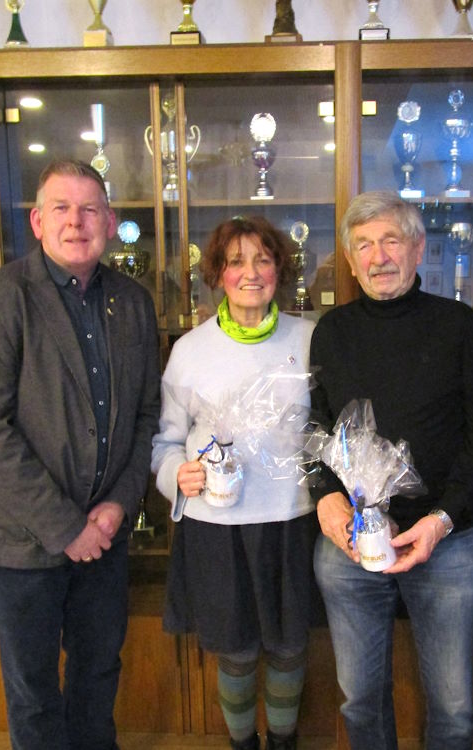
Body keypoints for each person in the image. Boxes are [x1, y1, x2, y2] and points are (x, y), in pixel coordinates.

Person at [0, 159, 161, 750]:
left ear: (110, 223)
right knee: (35, 694)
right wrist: (67, 528)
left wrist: (119, 506)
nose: (76, 222)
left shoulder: (133, 301)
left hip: (105, 537)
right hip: (21, 542)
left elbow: (147, 416)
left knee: (98, 676)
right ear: (38, 222)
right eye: (61, 209)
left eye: (90, 209)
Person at [310, 191, 473, 750]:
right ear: (350, 261)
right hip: (351, 544)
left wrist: (441, 519)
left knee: (454, 707)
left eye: (391, 240)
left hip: (447, 541)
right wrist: (324, 495)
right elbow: (317, 429)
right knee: (359, 699)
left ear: (418, 248)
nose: (379, 257)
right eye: (364, 245)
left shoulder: (458, 325)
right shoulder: (331, 331)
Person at [151, 216, 316, 750]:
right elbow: (165, 440)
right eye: (236, 262)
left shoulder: (310, 339)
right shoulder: (189, 350)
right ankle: (242, 745)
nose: (251, 273)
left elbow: (328, 428)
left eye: (263, 260)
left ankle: (284, 742)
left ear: (279, 270)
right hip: (217, 526)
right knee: (237, 651)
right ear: (218, 274)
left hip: (292, 519)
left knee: (290, 646)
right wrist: (175, 473)